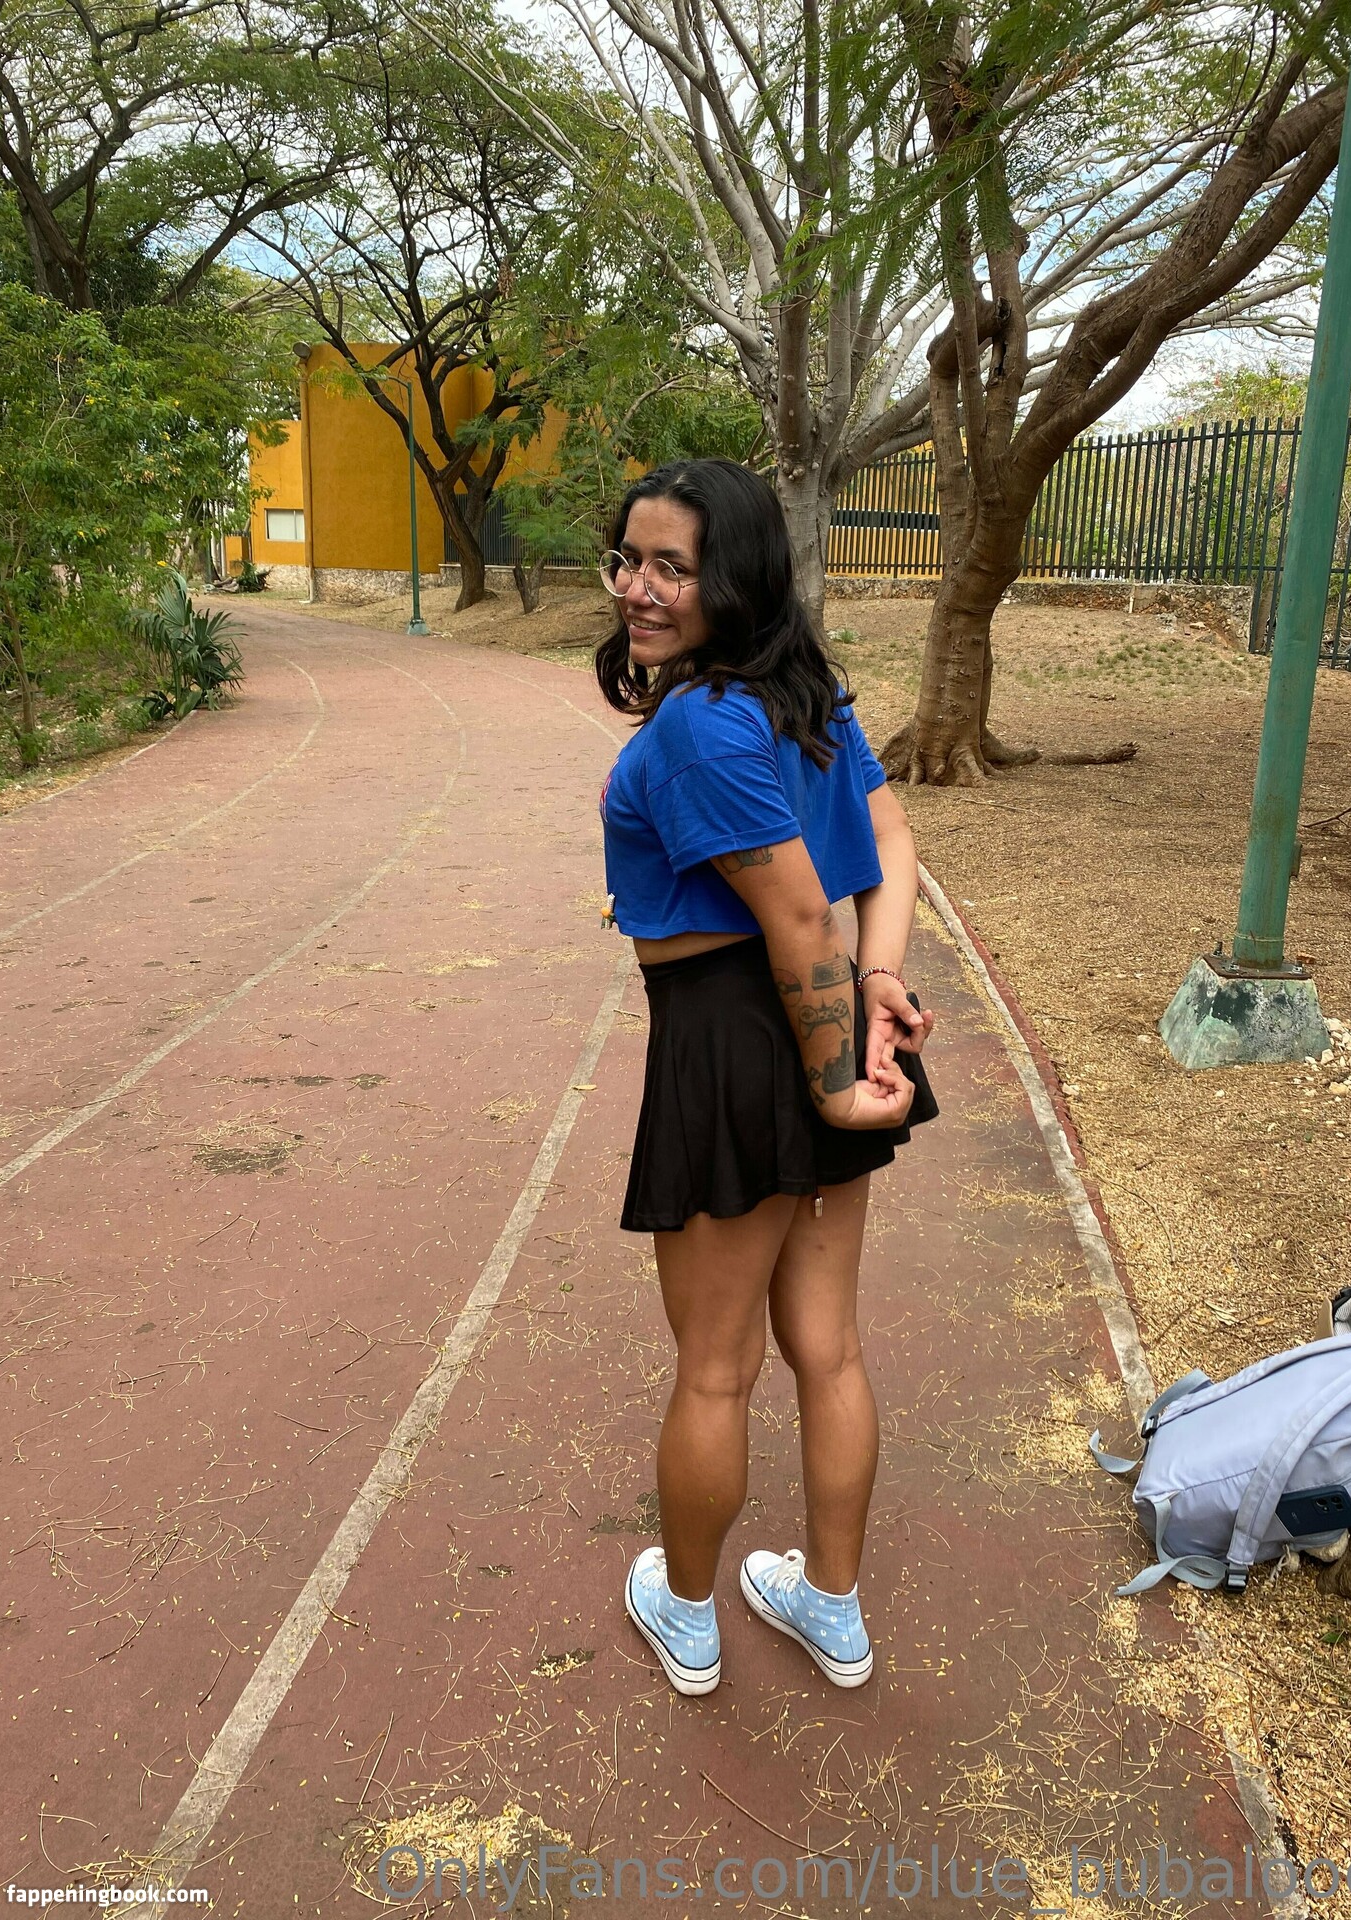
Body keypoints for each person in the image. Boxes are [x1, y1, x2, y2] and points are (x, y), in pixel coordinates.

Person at [595, 458, 939, 1697]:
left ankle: (688, 1617)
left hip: (742, 1042)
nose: (639, 588)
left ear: (734, 578)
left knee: (715, 1365)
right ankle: (831, 1610)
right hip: (824, 1016)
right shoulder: (804, 692)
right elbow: (888, 842)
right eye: (630, 559)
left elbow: (795, 917)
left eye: (673, 568)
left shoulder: (702, 724)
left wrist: (838, 1078)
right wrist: (878, 980)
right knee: (827, 1350)